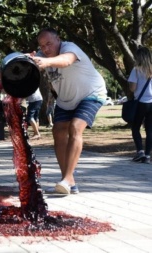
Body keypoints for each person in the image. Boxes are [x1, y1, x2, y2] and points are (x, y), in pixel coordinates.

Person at [30, 28, 107, 194]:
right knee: (57, 131)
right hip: (66, 100)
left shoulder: (70, 48)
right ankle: (69, 181)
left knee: (75, 127)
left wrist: (46, 62)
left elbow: (66, 61)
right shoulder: (42, 55)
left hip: (91, 94)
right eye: (42, 46)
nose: (46, 49)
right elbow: (30, 64)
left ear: (58, 39)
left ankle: (66, 179)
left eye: (49, 43)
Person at [128, 46, 152, 164]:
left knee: (135, 127)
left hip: (141, 102)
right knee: (150, 130)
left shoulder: (136, 70)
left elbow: (133, 88)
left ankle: (140, 152)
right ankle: (147, 155)